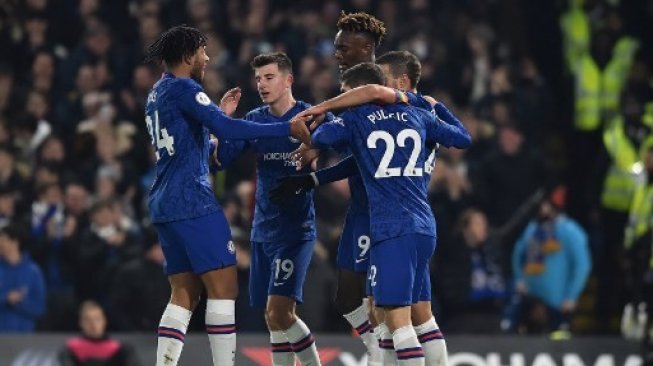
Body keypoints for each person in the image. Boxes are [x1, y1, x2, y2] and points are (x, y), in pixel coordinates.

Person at [274, 51, 458, 366]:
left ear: (400, 82)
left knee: (391, 316)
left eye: (382, 79)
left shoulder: (384, 113)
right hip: (416, 221)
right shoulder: (423, 113)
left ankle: (378, 356)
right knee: (410, 314)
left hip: (386, 220)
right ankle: (379, 356)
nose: (376, 88)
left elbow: (354, 149)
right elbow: (461, 137)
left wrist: (319, 126)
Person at [143, 25, 310, 366]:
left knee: (184, 294)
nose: (207, 58)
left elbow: (195, 145)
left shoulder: (157, 92)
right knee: (224, 289)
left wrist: (218, 115)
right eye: (203, 52)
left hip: (164, 201)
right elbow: (229, 131)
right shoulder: (185, 88)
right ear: (189, 55)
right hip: (192, 200)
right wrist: (285, 127)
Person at [215, 52, 327, 366]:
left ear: (288, 79)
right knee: (272, 318)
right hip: (262, 230)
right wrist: (224, 120)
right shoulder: (253, 119)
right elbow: (223, 158)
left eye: (269, 77)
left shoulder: (311, 114)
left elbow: (335, 142)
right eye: (258, 78)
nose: (261, 84)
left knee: (280, 312)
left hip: (296, 230)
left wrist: (315, 147)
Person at [511, 187, 591, 335]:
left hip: (557, 303)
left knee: (557, 343)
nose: (540, 209)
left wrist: (571, 296)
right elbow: (518, 253)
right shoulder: (533, 228)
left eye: (543, 205)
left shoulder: (570, 230)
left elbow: (582, 265)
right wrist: (519, 279)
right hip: (530, 299)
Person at [59, 300, 140, 366]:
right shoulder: (70, 350)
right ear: (81, 323)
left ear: (104, 321)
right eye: (88, 320)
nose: (93, 324)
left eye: (97, 319)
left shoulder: (122, 350)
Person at [0, 224, 46, 332]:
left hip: (24, 337)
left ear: (15, 242)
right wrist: (5, 298)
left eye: (2, 240)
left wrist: (21, 302)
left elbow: (40, 308)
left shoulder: (33, 271)